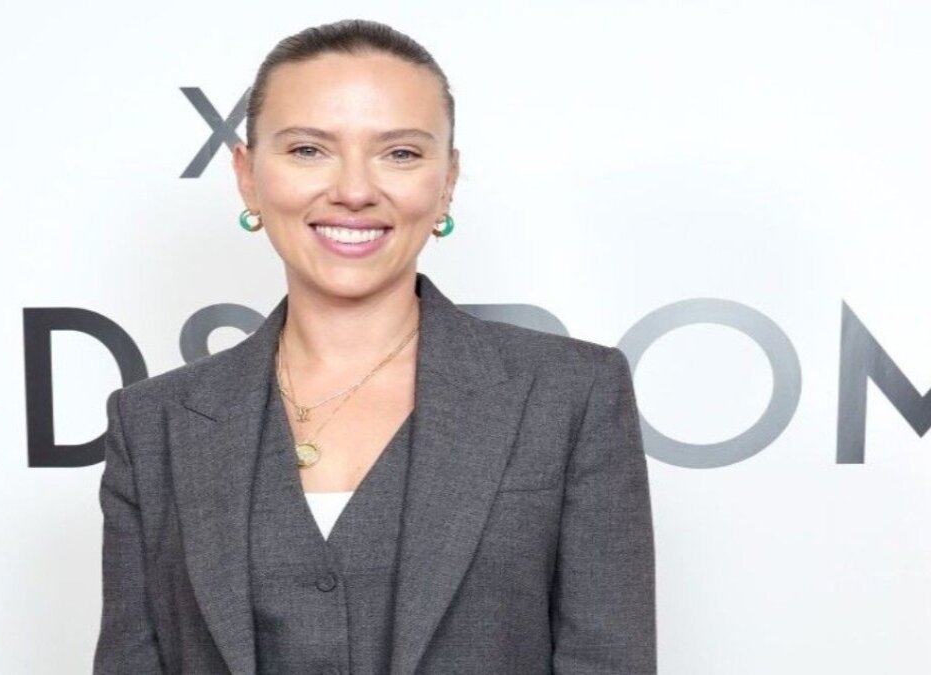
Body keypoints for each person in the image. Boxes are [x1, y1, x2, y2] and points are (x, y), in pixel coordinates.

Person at [94, 18, 655, 675]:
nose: (355, 191)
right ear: (247, 175)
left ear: (447, 180)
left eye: (401, 153)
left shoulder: (571, 395)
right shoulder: (153, 423)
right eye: (309, 149)